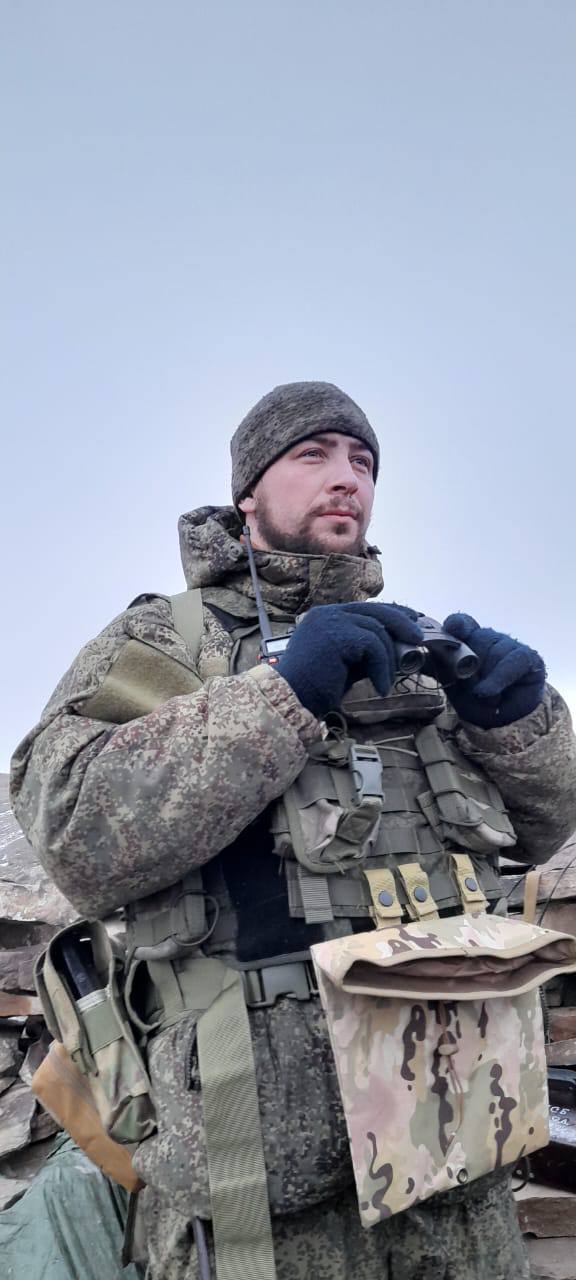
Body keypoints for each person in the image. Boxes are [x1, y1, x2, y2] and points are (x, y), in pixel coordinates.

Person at [11, 381, 576, 1280]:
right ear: (248, 495)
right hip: (260, 1172)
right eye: (312, 455)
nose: (346, 476)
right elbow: (72, 824)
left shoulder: (417, 650)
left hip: (459, 1145)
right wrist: (285, 695)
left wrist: (519, 723)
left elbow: (539, 834)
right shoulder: (168, 640)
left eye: (362, 460)